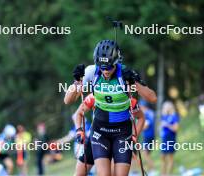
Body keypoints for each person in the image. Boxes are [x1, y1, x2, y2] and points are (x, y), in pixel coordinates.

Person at [64, 40, 156, 176]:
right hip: (100, 132)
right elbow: (68, 100)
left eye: (109, 67)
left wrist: (135, 83)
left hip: (123, 133)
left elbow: (152, 98)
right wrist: (77, 82)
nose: (105, 71)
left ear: (116, 62)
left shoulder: (125, 74)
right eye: (102, 67)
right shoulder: (91, 71)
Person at [74, 93, 144, 176]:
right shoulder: (94, 96)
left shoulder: (126, 99)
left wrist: (133, 136)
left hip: (118, 139)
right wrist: (79, 130)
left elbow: (141, 118)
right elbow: (78, 114)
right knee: (79, 174)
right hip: (97, 137)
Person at [160, 101, 179, 176]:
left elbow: (175, 128)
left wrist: (167, 125)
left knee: (170, 157)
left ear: (170, 107)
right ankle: (163, 174)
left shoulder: (174, 116)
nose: (165, 108)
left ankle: (169, 174)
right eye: (164, 107)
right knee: (162, 157)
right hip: (164, 139)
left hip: (171, 138)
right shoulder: (164, 116)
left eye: (166, 106)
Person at [139, 100, 156, 175]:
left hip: (148, 136)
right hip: (150, 136)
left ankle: (153, 169)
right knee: (147, 154)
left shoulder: (147, 113)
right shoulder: (150, 112)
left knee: (145, 154)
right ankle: (151, 170)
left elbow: (146, 125)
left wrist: (138, 128)